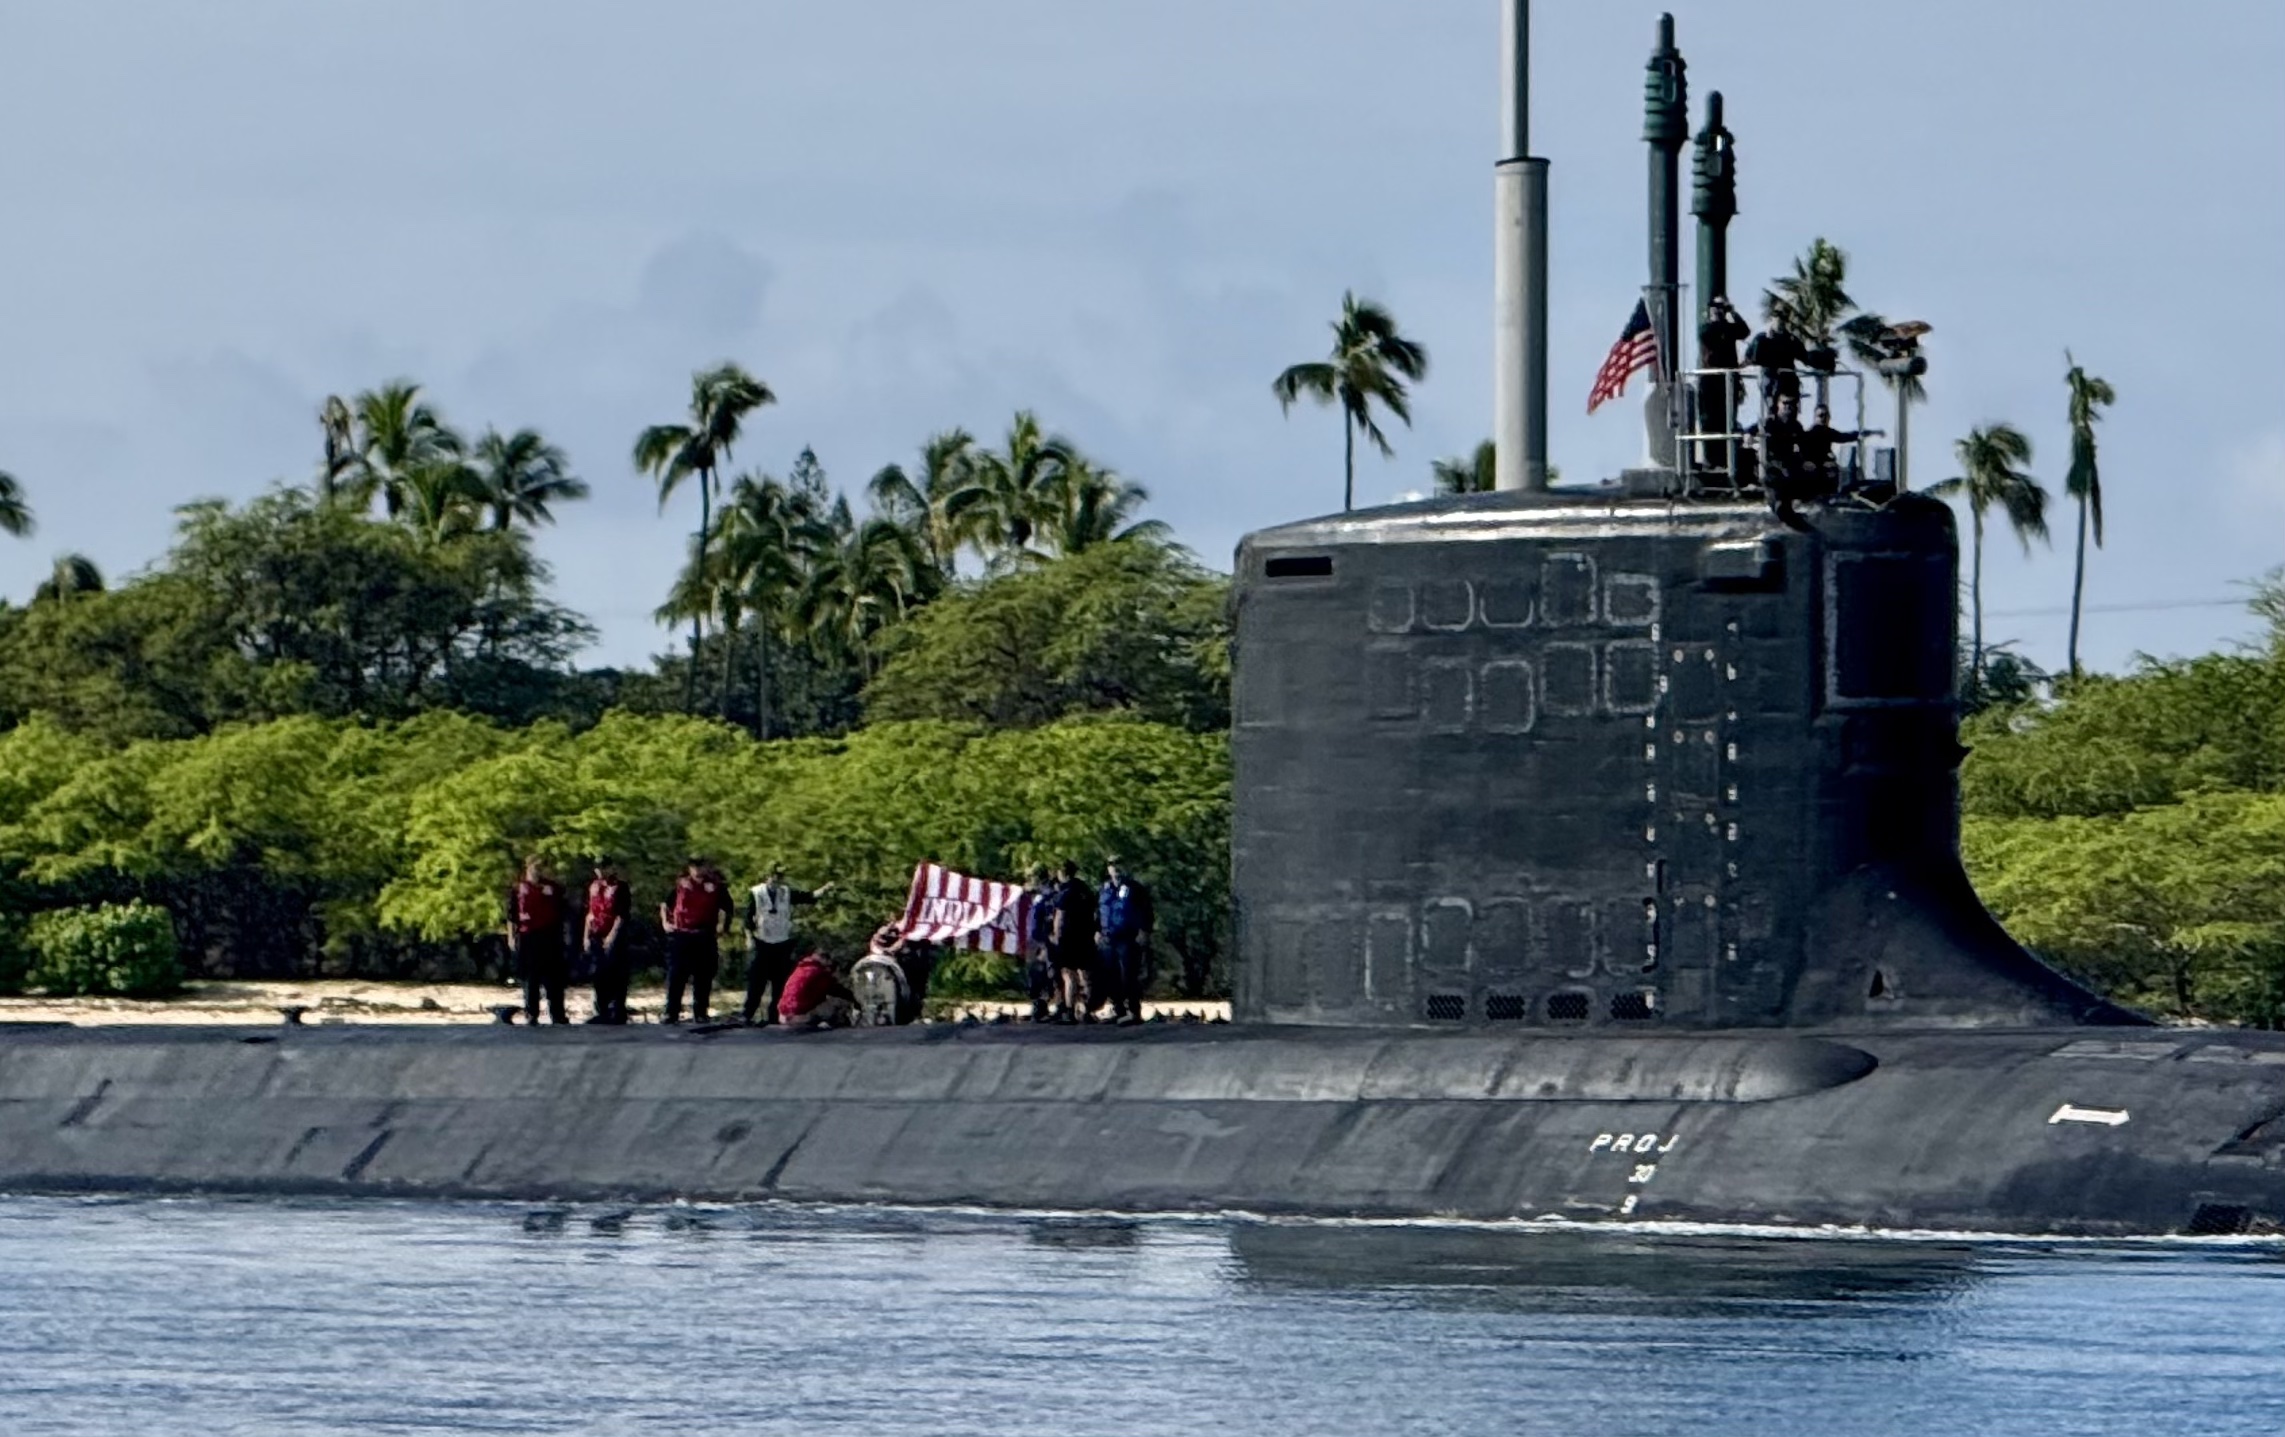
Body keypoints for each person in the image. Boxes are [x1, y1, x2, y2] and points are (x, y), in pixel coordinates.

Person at [742, 867, 834, 1025]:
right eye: (773, 876)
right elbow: (747, 918)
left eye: (779, 876)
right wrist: (749, 938)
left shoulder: (785, 892)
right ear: (767, 876)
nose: (776, 879)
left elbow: (808, 897)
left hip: (781, 941)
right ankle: (747, 1014)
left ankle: (774, 1016)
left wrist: (824, 889)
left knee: (780, 982)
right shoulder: (756, 892)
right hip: (762, 940)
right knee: (757, 981)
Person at [659, 857, 730, 1024]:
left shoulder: (715, 886)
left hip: (704, 935)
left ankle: (700, 1012)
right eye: (693, 866)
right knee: (676, 975)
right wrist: (664, 922)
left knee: (704, 976)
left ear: (706, 867)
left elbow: (727, 908)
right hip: (682, 934)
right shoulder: (680, 884)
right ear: (689, 868)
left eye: (700, 866)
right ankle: (671, 1012)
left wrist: (723, 927)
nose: (697, 870)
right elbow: (665, 904)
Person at [505, 857, 570, 1026]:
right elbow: (511, 915)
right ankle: (531, 1013)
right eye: (536, 866)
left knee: (553, 979)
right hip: (528, 937)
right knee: (530, 978)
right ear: (528, 866)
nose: (539, 870)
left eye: (542, 867)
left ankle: (558, 1014)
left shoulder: (553, 888)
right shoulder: (518, 888)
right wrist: (512, 937)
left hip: (550, 938)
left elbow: (563, 912)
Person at [1096, 858, 1156, 1027]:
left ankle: (1133, 1011)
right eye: (1112, 866)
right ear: (1108, 869)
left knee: (1128, 975)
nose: (1116, 869)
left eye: (1119, 865)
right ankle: (1118, 1009)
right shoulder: (1105, 889)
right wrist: (1097, 930)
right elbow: (1099, 911)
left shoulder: (1135, 888)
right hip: (1108, 938)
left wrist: (1145, 931)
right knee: (1110, 976)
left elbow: (1147, 911)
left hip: (1128, 938)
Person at [582, 860, 633, 1025]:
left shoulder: (620, 887)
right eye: (597, 868)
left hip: (614, 935)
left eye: (603, 868)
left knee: (617, 973)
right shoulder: (594, 886)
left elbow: (621, 915)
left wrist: (612, 936)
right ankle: (602, 1010)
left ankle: (617, 1010)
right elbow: (590, 913)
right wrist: (586, 935)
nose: (600, 871)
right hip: (596, 934)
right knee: (599, 974)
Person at [1048, 860, 1096, 1023]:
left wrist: (1056, 938)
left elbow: (1060, 918)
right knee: (1086, 974)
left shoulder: (1065, 893)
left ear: (1062, 873)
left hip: (1069, 939)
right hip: (1086, 937)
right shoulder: (1085, 890)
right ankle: (1087, 1010)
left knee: (1069, 975)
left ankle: (1070, 1011)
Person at [778, 950, 855, 1029]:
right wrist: (855, 999)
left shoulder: (801, 968)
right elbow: (836, 990)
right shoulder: (819, 973)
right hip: (798, 1015)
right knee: (837, 1003)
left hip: (783, 1014)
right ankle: (833, 1025)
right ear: (825, 960)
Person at [1024, 866, 1058, 1022]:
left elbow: (1049, 921)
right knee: (1034, 974)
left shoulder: (1049, 897)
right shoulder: (1035, 896)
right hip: (1033, 940)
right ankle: (1038, 1005)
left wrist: (1045, 942)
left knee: (1044, 974)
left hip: (1043, 940)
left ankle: (1045, 1005)